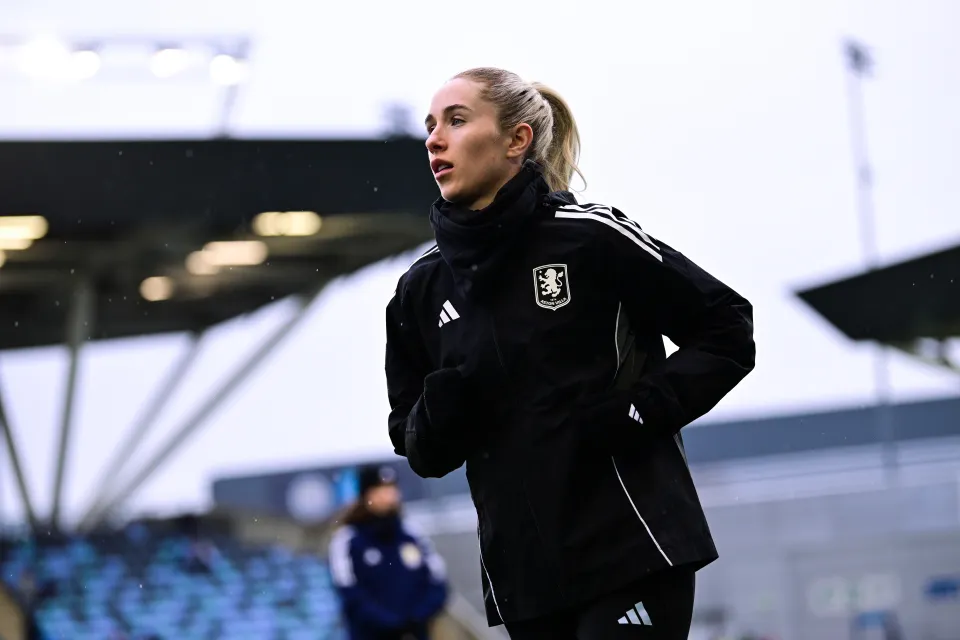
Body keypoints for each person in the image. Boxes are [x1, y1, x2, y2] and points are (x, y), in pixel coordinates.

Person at [383, 67, 756, 639]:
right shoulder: (420, 292)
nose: (435, 139)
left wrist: (641, 409)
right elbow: (416, 443)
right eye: (430, 126)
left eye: (456, 121)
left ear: (517, 141)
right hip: (525, 579)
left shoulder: (590, 238)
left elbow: (727, 327)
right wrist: (440, 413)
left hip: (632, 549)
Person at [328, 464, 449, 640]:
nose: (388, 496)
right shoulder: (347, 539)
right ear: (366, 495)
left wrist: (415, 618)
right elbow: (349, 592)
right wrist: (390, 622)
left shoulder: (412, 534)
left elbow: (438, 583)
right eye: (380, 490)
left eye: (391, 489)